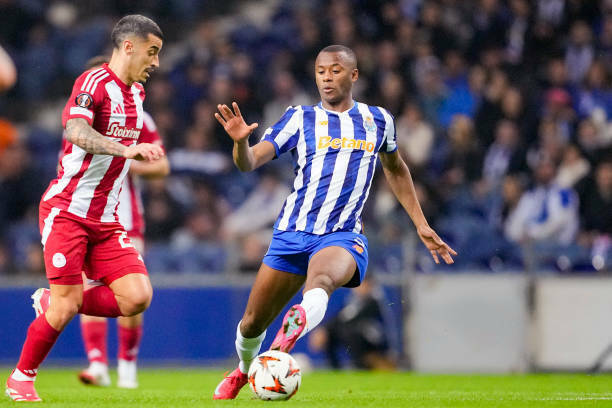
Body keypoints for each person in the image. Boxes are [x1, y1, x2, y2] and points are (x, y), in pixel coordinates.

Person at [212, 45, 456, 400]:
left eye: (335, 70)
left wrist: (420, 223)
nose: (327, 78)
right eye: (321, 71)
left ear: (353, 75)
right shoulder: (299, 118)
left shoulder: (378, 120)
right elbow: (248, 162)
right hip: (291, 233)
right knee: (251, 324)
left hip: (341, 235)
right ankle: (244, 370)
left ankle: (290, 333)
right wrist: (240, 144)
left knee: (322, 280)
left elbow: (396, 168)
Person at [5, 15, 165, 402]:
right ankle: (21, 378)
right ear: (129, 47)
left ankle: (54, 301)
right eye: (152, 51)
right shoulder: (92, 82)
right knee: (66, 307)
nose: (156, 62)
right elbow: (76, 131)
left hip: (106, 220)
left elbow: (156, 164)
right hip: (68, 212)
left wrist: (140, 154)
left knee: (137, 297)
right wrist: (126, 149)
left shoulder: (137, 95)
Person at [72, 56, 170, 389]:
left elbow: (162, 165)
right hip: (84, 215)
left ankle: (127, 366)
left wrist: (127, 158)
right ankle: (97, 363)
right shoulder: (80, 117)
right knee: (89, 286)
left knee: (132, 292)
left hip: (124, 218)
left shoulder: (137, 115)